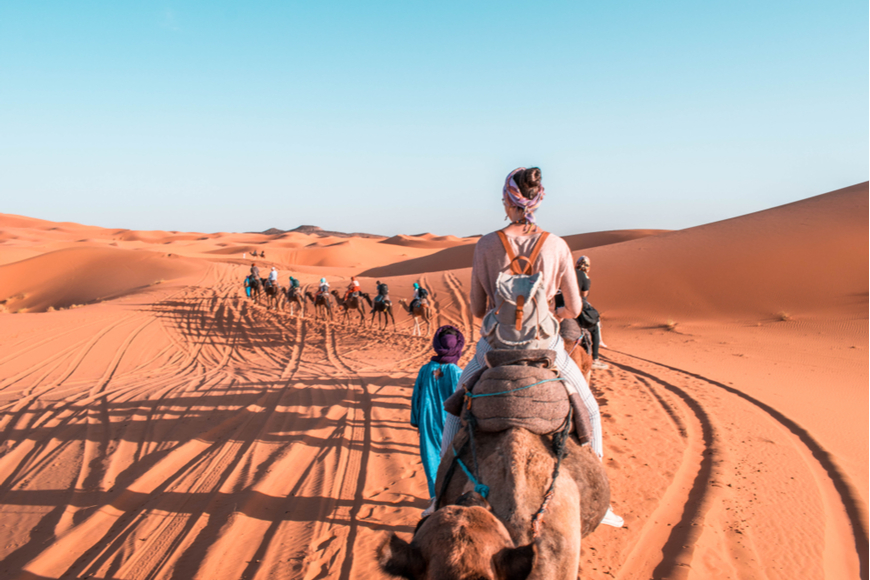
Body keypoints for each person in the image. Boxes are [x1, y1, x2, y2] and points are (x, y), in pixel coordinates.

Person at [437, 166, 622, 527]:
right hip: (547, 349)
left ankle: (436, 496)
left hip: (493, 350)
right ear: (538, 201)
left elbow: (477, 309)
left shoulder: (487, 244)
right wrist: (548, 310)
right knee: (590, 409)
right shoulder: (557, 245)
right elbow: (575, 308)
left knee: (453, 412)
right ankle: (603, 506)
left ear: (508, 200)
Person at [412, 325, 465, 515]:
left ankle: (436, 498)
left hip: (428, 420)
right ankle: (449, 497)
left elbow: (416, 396)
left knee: (431, 456)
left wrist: (416, 420)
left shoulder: (425, 370)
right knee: (453, 458)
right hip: (452, 422)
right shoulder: (458, 373)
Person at [576, 256, 607, 370]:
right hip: (575, 305)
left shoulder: (568, 272)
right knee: (595, 323)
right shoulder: (585, 278)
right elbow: (584, 296)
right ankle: (595, 358)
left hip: (556, 304)